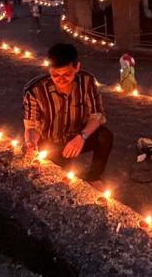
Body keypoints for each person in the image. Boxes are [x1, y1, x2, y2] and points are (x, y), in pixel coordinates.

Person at [23, 44, 113, 189]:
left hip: (77, 136)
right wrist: (31, 143)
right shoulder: (35, 92)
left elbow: (97, 115)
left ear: (77, 67)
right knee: (59, 181)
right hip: (51, 142)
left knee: (105, 137)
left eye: (66, 74)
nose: (61, 80)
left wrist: (81, 137)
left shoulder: (87, 82)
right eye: (55, 75)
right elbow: (32, 126)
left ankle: (94, 177)